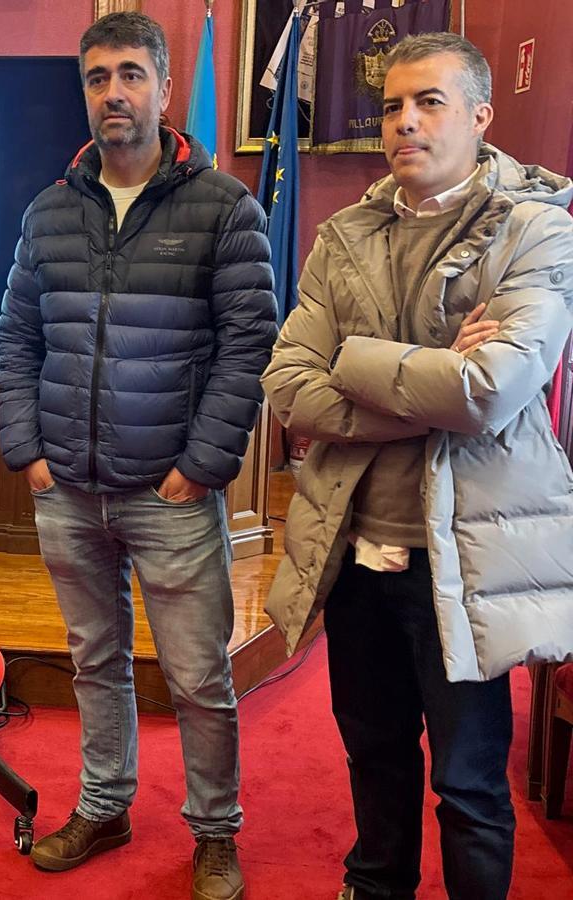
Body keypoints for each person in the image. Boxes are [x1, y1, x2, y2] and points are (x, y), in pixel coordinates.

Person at [261, 32, 573, 900]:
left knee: (468, 784)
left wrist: (352, 360)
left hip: (465, 559)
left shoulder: (537, 229)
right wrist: (426, 376)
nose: (405, 121)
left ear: (480, 115)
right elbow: (288, 385)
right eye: (393, 105)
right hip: (355, 552)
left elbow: (487, 391)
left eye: (429, 102)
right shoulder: (344, 236)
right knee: (375, 755)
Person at [0, 11, 276, 898]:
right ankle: (104, 805)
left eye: (129, 74)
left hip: (171, 492)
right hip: (68, 490)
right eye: (96, 77)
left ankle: (215, 833)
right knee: (94, 663)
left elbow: (249, 346)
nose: (112, 92)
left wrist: (201, 466)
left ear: (162, 86)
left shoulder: (223, 207)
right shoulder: (50, 210)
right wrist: (27, 451)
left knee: (197, 677)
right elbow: (16, 336)